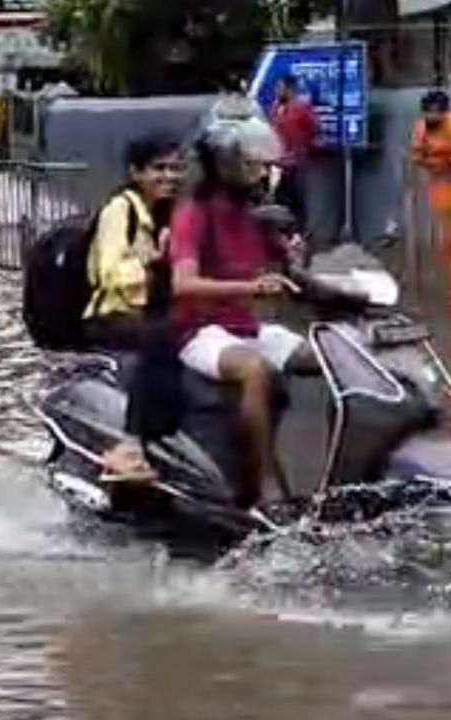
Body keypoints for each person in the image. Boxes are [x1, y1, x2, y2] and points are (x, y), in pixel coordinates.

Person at [168, 117, 313, 510]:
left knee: (329, 355)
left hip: (246, 327)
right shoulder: (193, 215)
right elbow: (183, 284)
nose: (263, 173)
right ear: (225, 164)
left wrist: (295, 256)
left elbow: (290, 268)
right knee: (254, 370)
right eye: (253, 165)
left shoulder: (255, 216)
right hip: (199, 331)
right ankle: (265, 478)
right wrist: (252, 287)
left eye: (264, 165)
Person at [83, 132, 185, 350]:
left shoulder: (169, 214)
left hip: (154, 311)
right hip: (114, 317)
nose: (169, 176)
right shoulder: (120, 210)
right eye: (159, 168)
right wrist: (152, 262)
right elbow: (108, 274)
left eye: (175, 168)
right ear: (135, 172)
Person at [410, 90, 451, 309]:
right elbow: (417, 157)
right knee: (449, 240)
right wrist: (435, 167)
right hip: (443, 193)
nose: (432, 118)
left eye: (437, 114)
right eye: (428, 114)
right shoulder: (421, 129)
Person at [270, 74, 318, 228]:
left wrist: (302, 147)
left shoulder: (301, 108)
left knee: (297, 199)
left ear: (289, 89)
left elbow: (313, 129)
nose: (276, 91)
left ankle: (300, 230)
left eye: (280, 88)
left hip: (297, 162)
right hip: (279, 162)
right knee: (280, 198)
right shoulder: (276, 108)